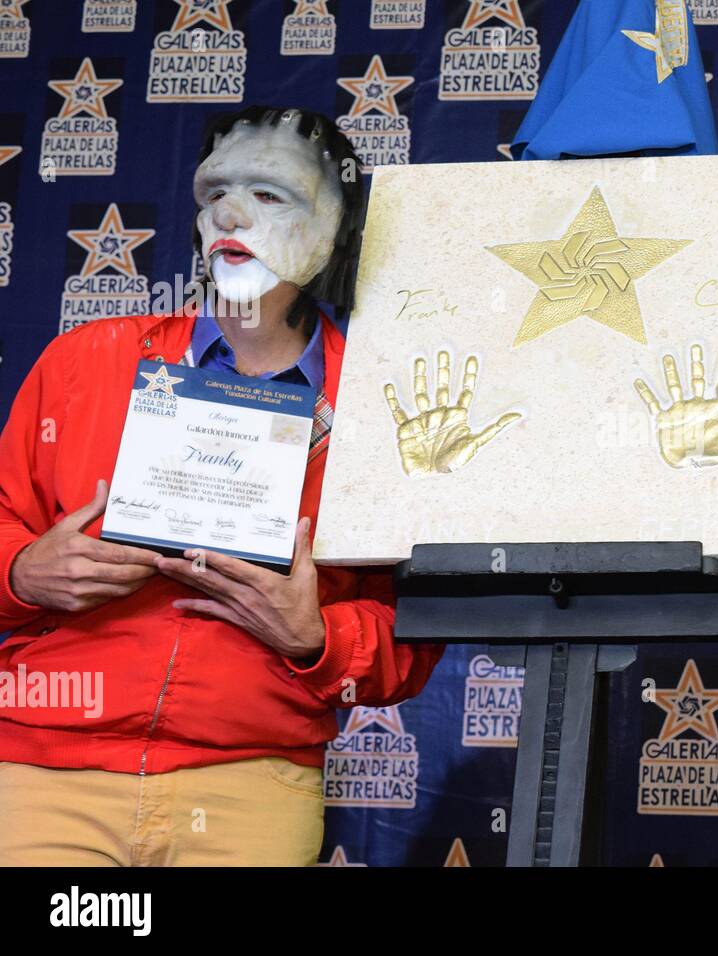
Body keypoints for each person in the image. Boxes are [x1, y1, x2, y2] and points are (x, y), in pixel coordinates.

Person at [0, 106, 442, 865]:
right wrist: (21, 571)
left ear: (338, 224)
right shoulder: (87, 359)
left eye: (270, 195)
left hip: (251, 787)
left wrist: (319, 637)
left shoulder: (388, 406)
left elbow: (415, 628)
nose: (231, 215)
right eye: (215, 194)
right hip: (45, 771)